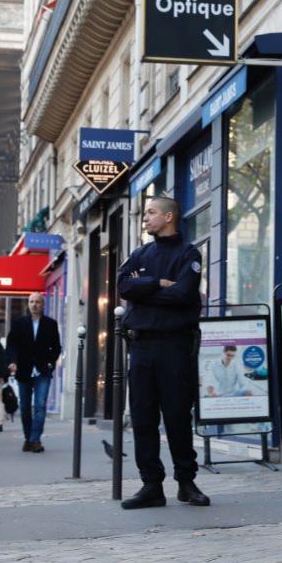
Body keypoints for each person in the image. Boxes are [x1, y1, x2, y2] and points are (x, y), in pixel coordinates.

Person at [116, 196, 209, 509]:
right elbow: (123, 287)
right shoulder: (140, 253)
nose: (146, 218)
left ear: (169, 216)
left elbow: (184, 295)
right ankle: (151, 485)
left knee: (177, 416)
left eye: (151, 213)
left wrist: (144, 293)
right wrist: (158, 283)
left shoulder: (188, 253)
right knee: (142, 417)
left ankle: (186, 482)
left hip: (175, 346)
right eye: (145, 213)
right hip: (141, 346)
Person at [6, 293, 61, 452]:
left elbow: (56, 347)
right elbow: (11, 345)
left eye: (37, 302)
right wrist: (12, 361)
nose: (34, 304)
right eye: (31, 302)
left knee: (40, 406)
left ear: (43, 305)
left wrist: (51, 363)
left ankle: (35, 439)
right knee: (24, 407)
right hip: (23, 370)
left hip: (42, 371)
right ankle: (27, 437)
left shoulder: (50, 324)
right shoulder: (19, 324)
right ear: (28, 304)